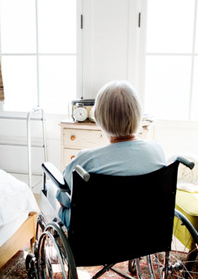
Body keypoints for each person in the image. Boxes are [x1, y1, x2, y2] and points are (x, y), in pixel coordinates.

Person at [51, 81, 166, 228]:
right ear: (138, 114)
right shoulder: (157, 151)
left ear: (99, 118)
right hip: (144, 228)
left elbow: (64, 200)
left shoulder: (85, 161)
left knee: (50, 190)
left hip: (97, 231)